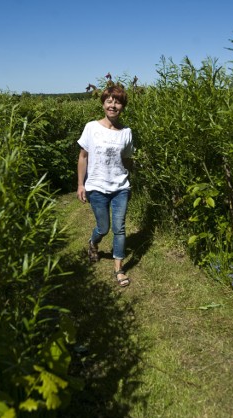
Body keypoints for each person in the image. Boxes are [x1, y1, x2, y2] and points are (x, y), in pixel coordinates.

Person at [77, 85, 134, 287]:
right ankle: (93, 243)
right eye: (109, 101)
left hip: (120, 187)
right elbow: (83, 156)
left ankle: (119, 269)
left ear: (122, 106)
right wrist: (80, 185)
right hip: (96, 187)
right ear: (103, 104)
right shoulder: (91, 127)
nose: (113, 105)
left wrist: (130, 178)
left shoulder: (126, 132)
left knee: (119, 228)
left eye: (117, 101)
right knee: (104, 227)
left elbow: (127, 160)